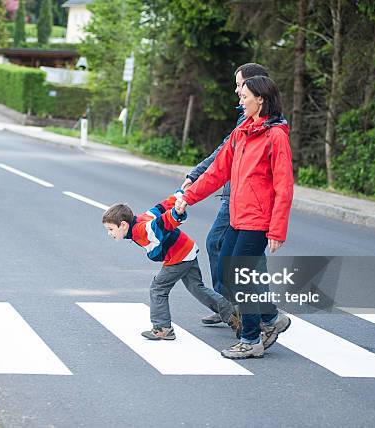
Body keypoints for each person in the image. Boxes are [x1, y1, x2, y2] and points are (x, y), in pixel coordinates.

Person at [176, 76, 294, 359]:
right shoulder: (242, 132)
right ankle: (271, 316)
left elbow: (284, 185)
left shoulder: (275, 136)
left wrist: (277, 230)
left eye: (245, 96)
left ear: (260, 100)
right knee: (230, 274)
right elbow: (217, 172)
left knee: (242, 277)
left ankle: (252, 338)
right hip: (237, 216)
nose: (240, 100)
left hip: (257, 219)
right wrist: (187, 198)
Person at [102, 191, 241, 340]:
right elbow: (161, 207)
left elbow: (162, 222)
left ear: (123, 225)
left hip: (179, 256)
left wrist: (176, 213)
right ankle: (231, 312)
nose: (109, 233)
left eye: (111, 229)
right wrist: (180, 194)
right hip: (187, 249)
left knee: (158, 288)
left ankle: (162, 327)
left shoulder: (141, 229)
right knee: (197, 288)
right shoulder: (142, 219)